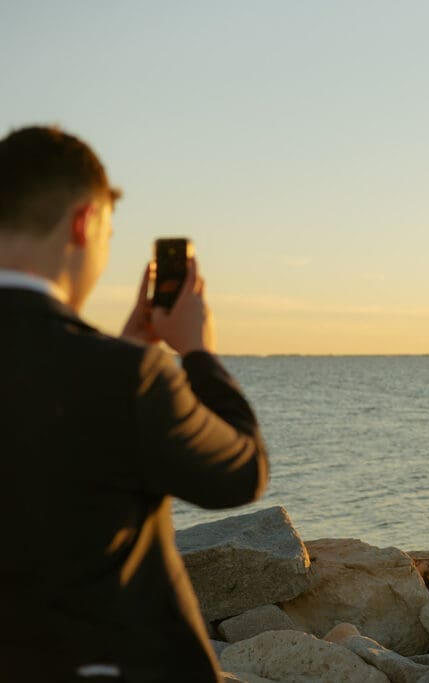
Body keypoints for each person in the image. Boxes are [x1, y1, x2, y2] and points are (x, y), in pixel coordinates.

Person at [0, 126, 269, 681]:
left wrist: (121, 351)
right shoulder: (127, 379)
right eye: (108, 233)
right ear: (84, 222)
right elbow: (241, 472)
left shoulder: (118, 373)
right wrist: (197, 353)